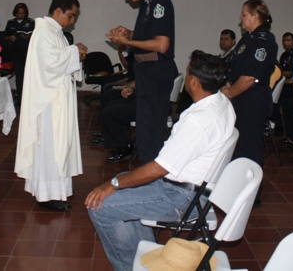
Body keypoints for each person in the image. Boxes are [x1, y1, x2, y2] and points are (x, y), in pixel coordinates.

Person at [86, 50, 235, 271]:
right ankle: (145, 257)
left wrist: (113, 184)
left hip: (180, 198)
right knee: (124, 181)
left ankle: (129, 267)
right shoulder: (222, 103)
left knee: (100, 206)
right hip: (196, 192)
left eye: (187, 73)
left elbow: (159, 169)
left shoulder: (199, 121)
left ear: (194, 81)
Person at [14, 0, 88, 212]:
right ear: (58, 11)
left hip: (58, 99)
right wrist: (75, 51)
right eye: (71, 15)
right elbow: (50, 64)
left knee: (59, 145)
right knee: (51, 146)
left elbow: (62, 61)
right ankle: (47, 194)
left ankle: (58, 190)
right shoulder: (44, 32)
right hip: (49, 104)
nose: (72, 21)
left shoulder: (55, 32)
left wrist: (76, 55)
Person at [106, 0, 177, 164]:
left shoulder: (159, 1)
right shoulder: (147, 2)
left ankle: (152, 177)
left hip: (156, 74)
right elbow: (149, 36)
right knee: (145, 132)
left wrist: (127, 42)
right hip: (147, 75)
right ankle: (148, 175)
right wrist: (129, 33)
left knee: (150, 133)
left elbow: (161, 44)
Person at [221, 0, 278, 205]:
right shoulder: (248, 39)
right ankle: (238, 189)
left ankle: (252, 196)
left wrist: (229, 92)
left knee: (250, 149)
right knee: (239, 147)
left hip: (252, 100)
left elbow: (249, 77)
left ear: (256, 16)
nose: (241, 17)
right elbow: (236, 69)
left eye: (244, 14)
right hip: (241, 98)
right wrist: (227, 86)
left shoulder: (263, 41)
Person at [4, 3, 35, 104]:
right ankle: (20, 97)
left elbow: (35, 34)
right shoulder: (11, 22)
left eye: (23, 13)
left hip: (28, 51)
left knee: (30, 73)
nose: (21, 15)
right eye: (19, 13)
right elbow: (5, 36)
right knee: (19, 74)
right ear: (15, 13)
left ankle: (31, 96)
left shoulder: (30, 22)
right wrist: (10, 38)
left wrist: (28, 36)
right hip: (16, 51)